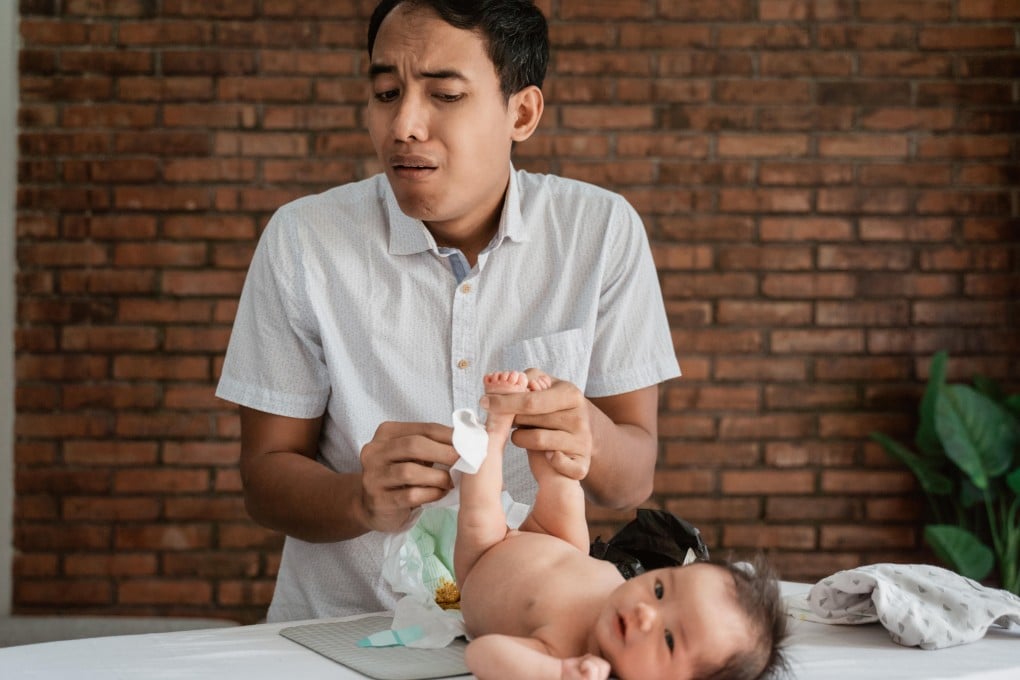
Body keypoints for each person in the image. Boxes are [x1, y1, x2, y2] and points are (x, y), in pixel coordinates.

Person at [215, 0, 680, 622]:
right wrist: (359, 499)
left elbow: (632, 482)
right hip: (340, 632)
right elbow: (263, 479)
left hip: (532, 636)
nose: (404, 124)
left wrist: (585, 433)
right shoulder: (305, 239)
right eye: (386, 92)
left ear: (522, 112)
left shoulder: (598, 232)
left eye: (445, 95)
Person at [457, 370, 787, 680]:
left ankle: (495, 427)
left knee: (480, 507)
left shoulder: (566, 652)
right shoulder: (622, 597)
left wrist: (557, 672)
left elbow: (483, 654)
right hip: (561, 543)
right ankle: (538, 422)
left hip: (486, 556)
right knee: (565, 487)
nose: (645, 612)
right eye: (659, 589)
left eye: (669, 639)